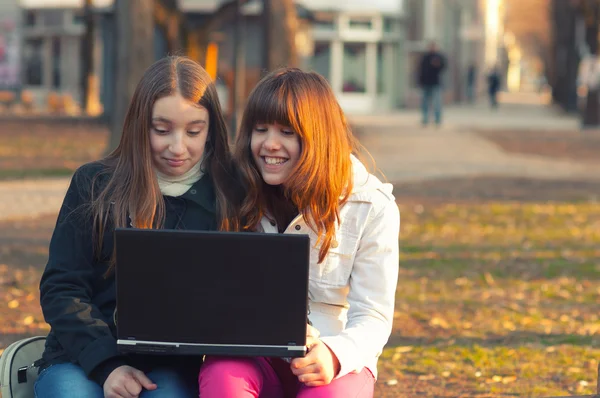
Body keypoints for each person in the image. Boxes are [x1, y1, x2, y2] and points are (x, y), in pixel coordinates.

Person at [35, 56, 241, 398]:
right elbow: (62, 287)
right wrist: (107, 365)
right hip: (81, 358)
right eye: (161, 130)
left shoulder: (229, 194)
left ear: (212, 129)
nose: (178, 147)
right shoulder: (95, 184)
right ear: (140, 125)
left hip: (171, 368)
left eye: (193, 131)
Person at [198, 68, 400, 397]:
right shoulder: (236, 191)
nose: (269, 144)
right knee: (224, 378)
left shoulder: (370, 206)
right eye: (260, 129)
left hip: (329, 357)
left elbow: (373, 315)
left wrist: (335, 356)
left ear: (318, 135)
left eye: (287, 132)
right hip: (253, 353)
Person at [418, 41, 446, 126]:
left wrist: (437, 64)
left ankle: (437, 119)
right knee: (425, 102)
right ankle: (425, 118)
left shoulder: (439, 57)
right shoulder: (425, 57)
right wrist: (421, 81)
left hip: (435, 83)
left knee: (437, 102)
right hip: (426, 83)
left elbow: (443, 67)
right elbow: (421, 70)